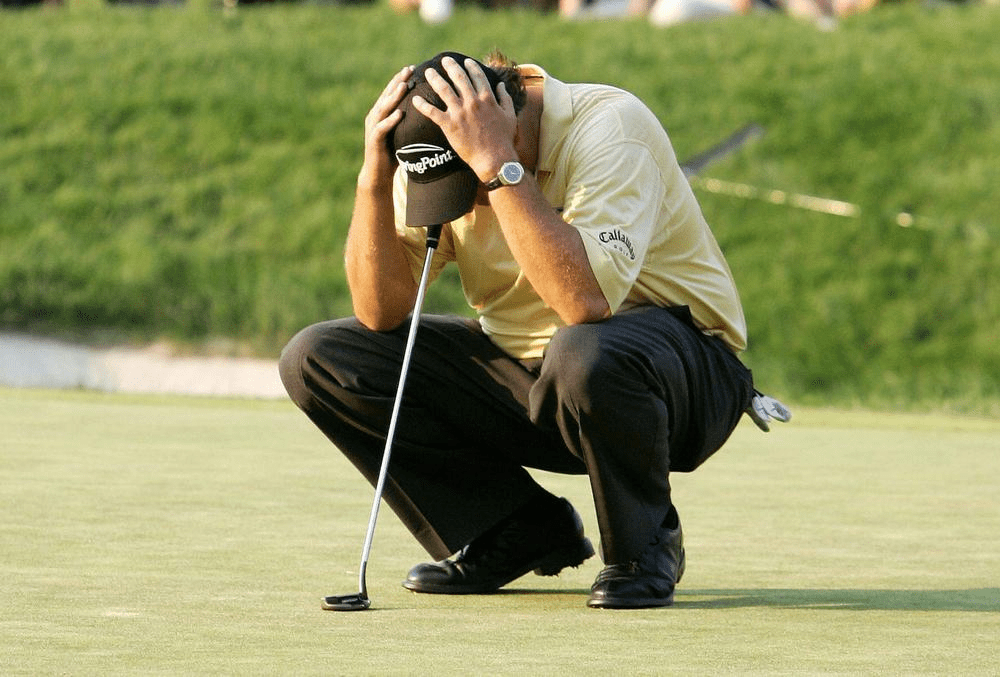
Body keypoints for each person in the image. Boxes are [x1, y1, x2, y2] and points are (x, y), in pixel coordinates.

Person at [280, 51, 758, 609]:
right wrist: (373, 177)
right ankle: (519, 527)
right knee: (320, 356)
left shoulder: (610, 126)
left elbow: (585, 302)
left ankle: (645, 545)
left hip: (677, 379)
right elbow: (380, 312)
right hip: (536, 380)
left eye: (471, 184)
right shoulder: (440, 148)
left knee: (582, 349)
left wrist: (497, 164)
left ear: (505, 114)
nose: (470, 203)